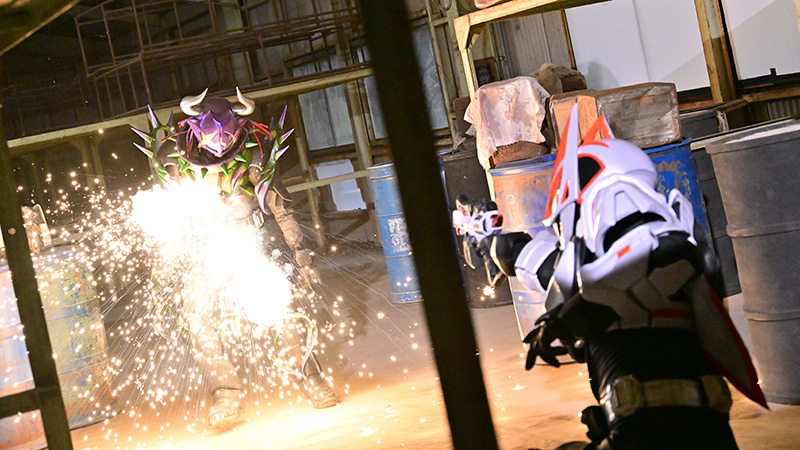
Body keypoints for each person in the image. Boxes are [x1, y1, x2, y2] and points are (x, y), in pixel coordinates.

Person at [460, 104, 767, 449]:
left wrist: (584, 312)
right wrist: (486, 237)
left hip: (674, 433)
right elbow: (538, 262)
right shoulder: (606, 259)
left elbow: (665, 262)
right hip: (648, 429)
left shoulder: (658, 240)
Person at [134, 88, 337, 430]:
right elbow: (172, 220)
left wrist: (302, 256)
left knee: (278, 308)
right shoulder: (174, 158)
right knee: (196, 314)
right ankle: (226, 393)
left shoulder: (254, 155)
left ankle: (311, 377)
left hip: (248, 243)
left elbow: (281, 208)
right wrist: (163, 273)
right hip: (205, 249)